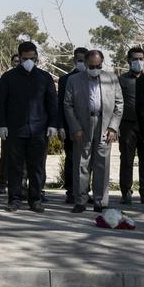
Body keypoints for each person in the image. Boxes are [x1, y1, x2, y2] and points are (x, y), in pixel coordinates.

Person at [0, 42, 57, 213]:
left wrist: (53, 124)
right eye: (25, 59)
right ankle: (14, 199)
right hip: (16, 130)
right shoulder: (8, 78)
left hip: (38, 129)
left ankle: (35, 199)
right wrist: (2, 124)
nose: (29, 61)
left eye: (32, 58)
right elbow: (0, 103)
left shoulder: (44, 77)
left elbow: (52, 103)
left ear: (36, 57)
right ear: (20, 57)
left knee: (36, 167)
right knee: (15, 166)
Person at [65, 50, 123, 213]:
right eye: (92, 66)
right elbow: (68, 105)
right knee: (81, 163)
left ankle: (100, 202)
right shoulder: (74, 80)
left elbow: (119, 104)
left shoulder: (111, 78)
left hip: (105, 125)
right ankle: (80, 201)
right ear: (85, 63)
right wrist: (75, 127)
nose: (95, 68)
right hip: (83, 125)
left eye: (98, 65)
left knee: (102, 164)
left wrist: (113, 127)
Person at [57, 47, 89, 204]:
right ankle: (71, 191)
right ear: (74, 61)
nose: (81, 63)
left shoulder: (93, 78)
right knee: (71, 160)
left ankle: (85, 191)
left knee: (88, 160)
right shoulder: (65, 80)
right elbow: (61, 104)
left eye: (84, 60)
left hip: (89, 126)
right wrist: (61, 126)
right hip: (70, 126)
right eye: (79, 60)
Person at [118, 47, 144, 204]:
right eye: (135, 59)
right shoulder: (122, 80)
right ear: (129, 61)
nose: (138, 62)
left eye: (141, 59)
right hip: (127, 125)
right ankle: (126, 192)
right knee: (127, 160)